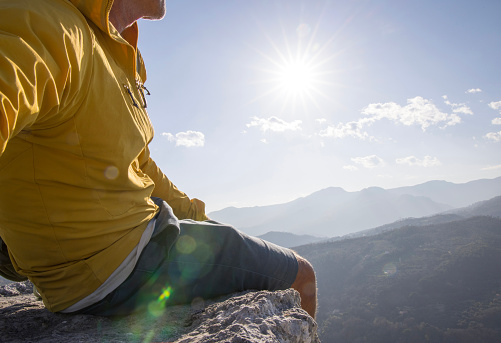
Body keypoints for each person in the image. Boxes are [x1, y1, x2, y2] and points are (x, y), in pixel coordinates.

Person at [0, 0, 317, 318]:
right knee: (301, 276)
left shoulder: (113, 49)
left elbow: (139, 164)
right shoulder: (43, 24)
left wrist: (198, 216)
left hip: (113, 247)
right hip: (119, 265)